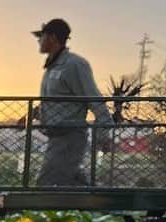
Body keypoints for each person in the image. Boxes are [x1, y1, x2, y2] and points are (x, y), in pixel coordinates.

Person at [31, 18, 113, 186]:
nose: (39, 41)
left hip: (69, 137)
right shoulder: (53, 67)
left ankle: (103, 205)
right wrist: (31, 114)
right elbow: (57, 101)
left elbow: (94, 99)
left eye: (42, 36)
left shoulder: (74, 65)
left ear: (52, 37)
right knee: (72, 184)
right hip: (57, 137)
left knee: (46, 184)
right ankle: (102, 206)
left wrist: (104, 136)